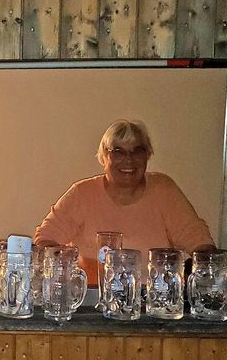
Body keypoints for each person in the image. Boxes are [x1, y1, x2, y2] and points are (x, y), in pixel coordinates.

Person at [33, 120, 215, 284]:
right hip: (92, 298)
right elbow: (44, 240)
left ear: (147, 155)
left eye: (137, 151)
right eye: (118, 152)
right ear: (104, 157)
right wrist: (66, 267)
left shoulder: (164, 190)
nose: (129, 159)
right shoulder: (82, 193)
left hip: (151, 299)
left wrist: (211, 276)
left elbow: (199, 241)